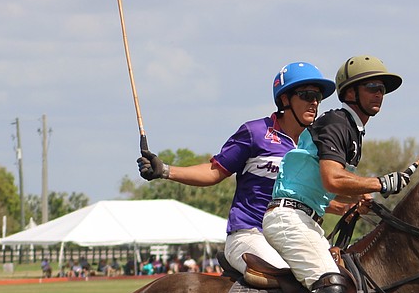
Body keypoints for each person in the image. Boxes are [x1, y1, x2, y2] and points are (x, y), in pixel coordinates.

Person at [263, 55, 413, 293]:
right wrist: (378, 182)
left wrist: (355, 199)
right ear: (350, 93)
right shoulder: (337, 122)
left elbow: (323, 185)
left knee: (352, 286)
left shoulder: (351, 131)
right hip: (289, 218)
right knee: (332, 287)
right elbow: (332, 178)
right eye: (372, 87)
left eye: (383, 90)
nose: (379, 95)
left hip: (306, 218)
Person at [136, 62, 336, 276]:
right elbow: (214, 172)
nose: (314, 103)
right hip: (250, 235)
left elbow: (306, 197)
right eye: (306, 95)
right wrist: (164, 170)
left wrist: (354, 203)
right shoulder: (255, 132)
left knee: (336, 280)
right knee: (291, 276)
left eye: (318, 97)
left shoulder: (314, 145)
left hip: (293, 234)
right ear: (285, 99)